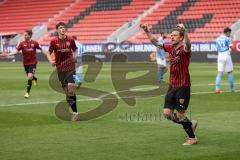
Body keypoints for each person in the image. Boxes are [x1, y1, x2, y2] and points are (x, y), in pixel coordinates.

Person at [140, 23, 198, 145]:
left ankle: (192, 138)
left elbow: (188, 45)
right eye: (171, 35)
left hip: (183, 85)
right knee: (167, 113)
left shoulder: (184, 50)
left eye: (175, 35)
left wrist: (185, 31)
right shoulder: (170, 47)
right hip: (172, 85)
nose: (171, 37)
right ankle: (190, 124)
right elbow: (156, 42)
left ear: (181, 37)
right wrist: (147, 31)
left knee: (180, 114)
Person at [0, 30, 52, 98]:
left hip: (33, 62)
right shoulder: (21, 43)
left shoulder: (35, 43)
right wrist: (8, 54)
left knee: (29, 76)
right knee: (30, 76)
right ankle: (35, 79)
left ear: (30, 35)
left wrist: (48, 55)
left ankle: (27, 92)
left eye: (26, 35)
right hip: (25, 63)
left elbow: (42, 50)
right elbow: (16, 52)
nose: (24, 36)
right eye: (24, 35)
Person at [48, 22, 79, 122]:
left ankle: (75, 113)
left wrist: (75, 57)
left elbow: (75, 50)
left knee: (70, 90)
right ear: (57, 30)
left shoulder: (70, 40)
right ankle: (72, 106)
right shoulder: (53, 41)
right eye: (61, 28)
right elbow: (49, 52)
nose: (63, 29)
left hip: (70, 67)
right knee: (67, 92)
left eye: (64, 28)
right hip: (60, 69)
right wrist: (51, 61)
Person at [215, 27, 235, 93]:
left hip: (220, 55)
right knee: (230, 72)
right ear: (227, 32)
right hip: (226, 55)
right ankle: (232, 89)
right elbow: (232, 48)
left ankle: (217, 89)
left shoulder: (217, 39)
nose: (230, 34)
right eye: (229, 33)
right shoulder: (227, 39)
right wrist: (233, 47)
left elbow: (217, 48)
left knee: (219, 73)